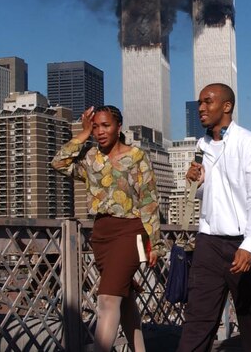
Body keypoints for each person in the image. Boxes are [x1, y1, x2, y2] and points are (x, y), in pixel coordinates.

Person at [51, 105, 163, 352]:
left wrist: (155, 244)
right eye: (96, 126)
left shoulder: (136, 156)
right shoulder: (91, 158)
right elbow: (58, 162)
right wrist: (82, 134)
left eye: (106, 125)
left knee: (107, 299)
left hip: (129, 231)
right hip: (101, 234)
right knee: (124, 302)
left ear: (118, 127)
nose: (100, 131)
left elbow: (149, 201)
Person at [178, 84, 251, 351]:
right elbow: (210, 196)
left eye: (208, 102)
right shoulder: (202, 145)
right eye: (199, 103)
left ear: (227, 106)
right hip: (209, 242)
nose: (201, 108)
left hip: (244, 243)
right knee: (198, 318)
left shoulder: (248, 142)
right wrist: (197, 182)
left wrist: (249, 245)